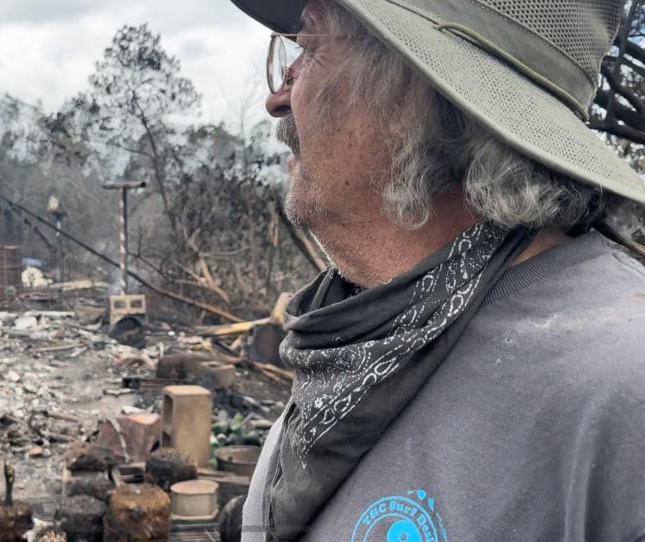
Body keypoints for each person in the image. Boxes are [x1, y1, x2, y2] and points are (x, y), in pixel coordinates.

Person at [227, 1, 645, 540]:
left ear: (409, 93)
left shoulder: (619, 386)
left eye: (308, 49)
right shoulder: (363, 333)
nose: (277, 99)